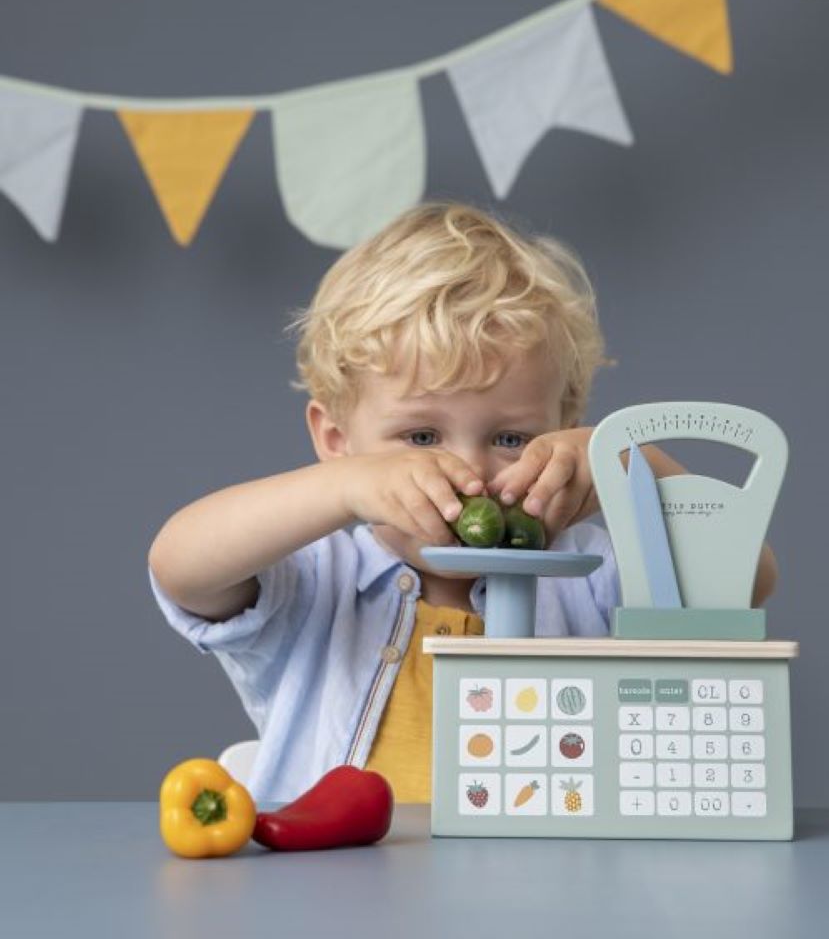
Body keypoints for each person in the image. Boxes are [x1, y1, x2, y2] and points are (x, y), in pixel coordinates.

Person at [148, 201, 778, 804]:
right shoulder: (314, 582)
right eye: (420, 437)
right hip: (335, 903)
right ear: (337, 441)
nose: (469, 472)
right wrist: (345, 489)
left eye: (512, 439)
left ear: (562, 432)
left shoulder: (587, 577)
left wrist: (628, 461)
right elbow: (180, 565)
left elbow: (743, 582)